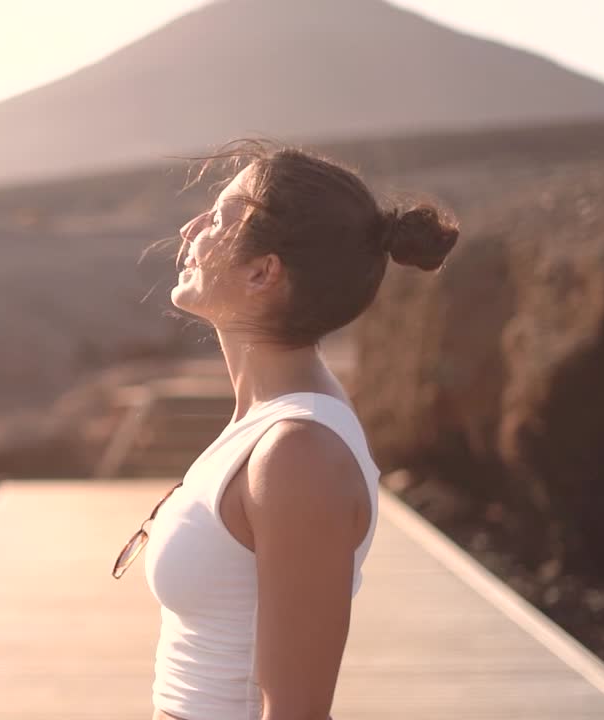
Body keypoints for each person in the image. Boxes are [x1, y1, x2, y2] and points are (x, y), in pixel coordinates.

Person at [118, 141, 458, 720]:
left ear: (262, 272)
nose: (189, 230)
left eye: (218, 218)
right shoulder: (268, 424)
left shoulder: (299, 452)